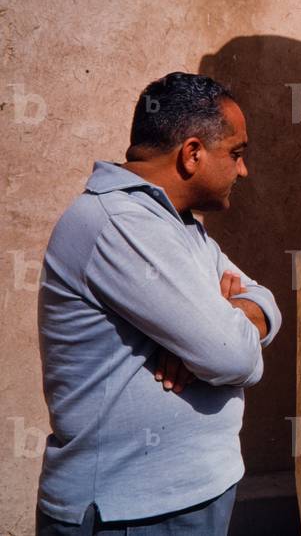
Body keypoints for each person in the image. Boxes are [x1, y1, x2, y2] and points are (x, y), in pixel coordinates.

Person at [35, 72, 282, 535]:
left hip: (187, 497)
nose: (243, 170)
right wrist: (211, 339)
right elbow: (233, 356)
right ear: (192, 153)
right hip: (131, 512)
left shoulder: (180, 224)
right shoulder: (121, 224)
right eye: (236, 153)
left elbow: (264, 299)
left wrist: (229, 318)